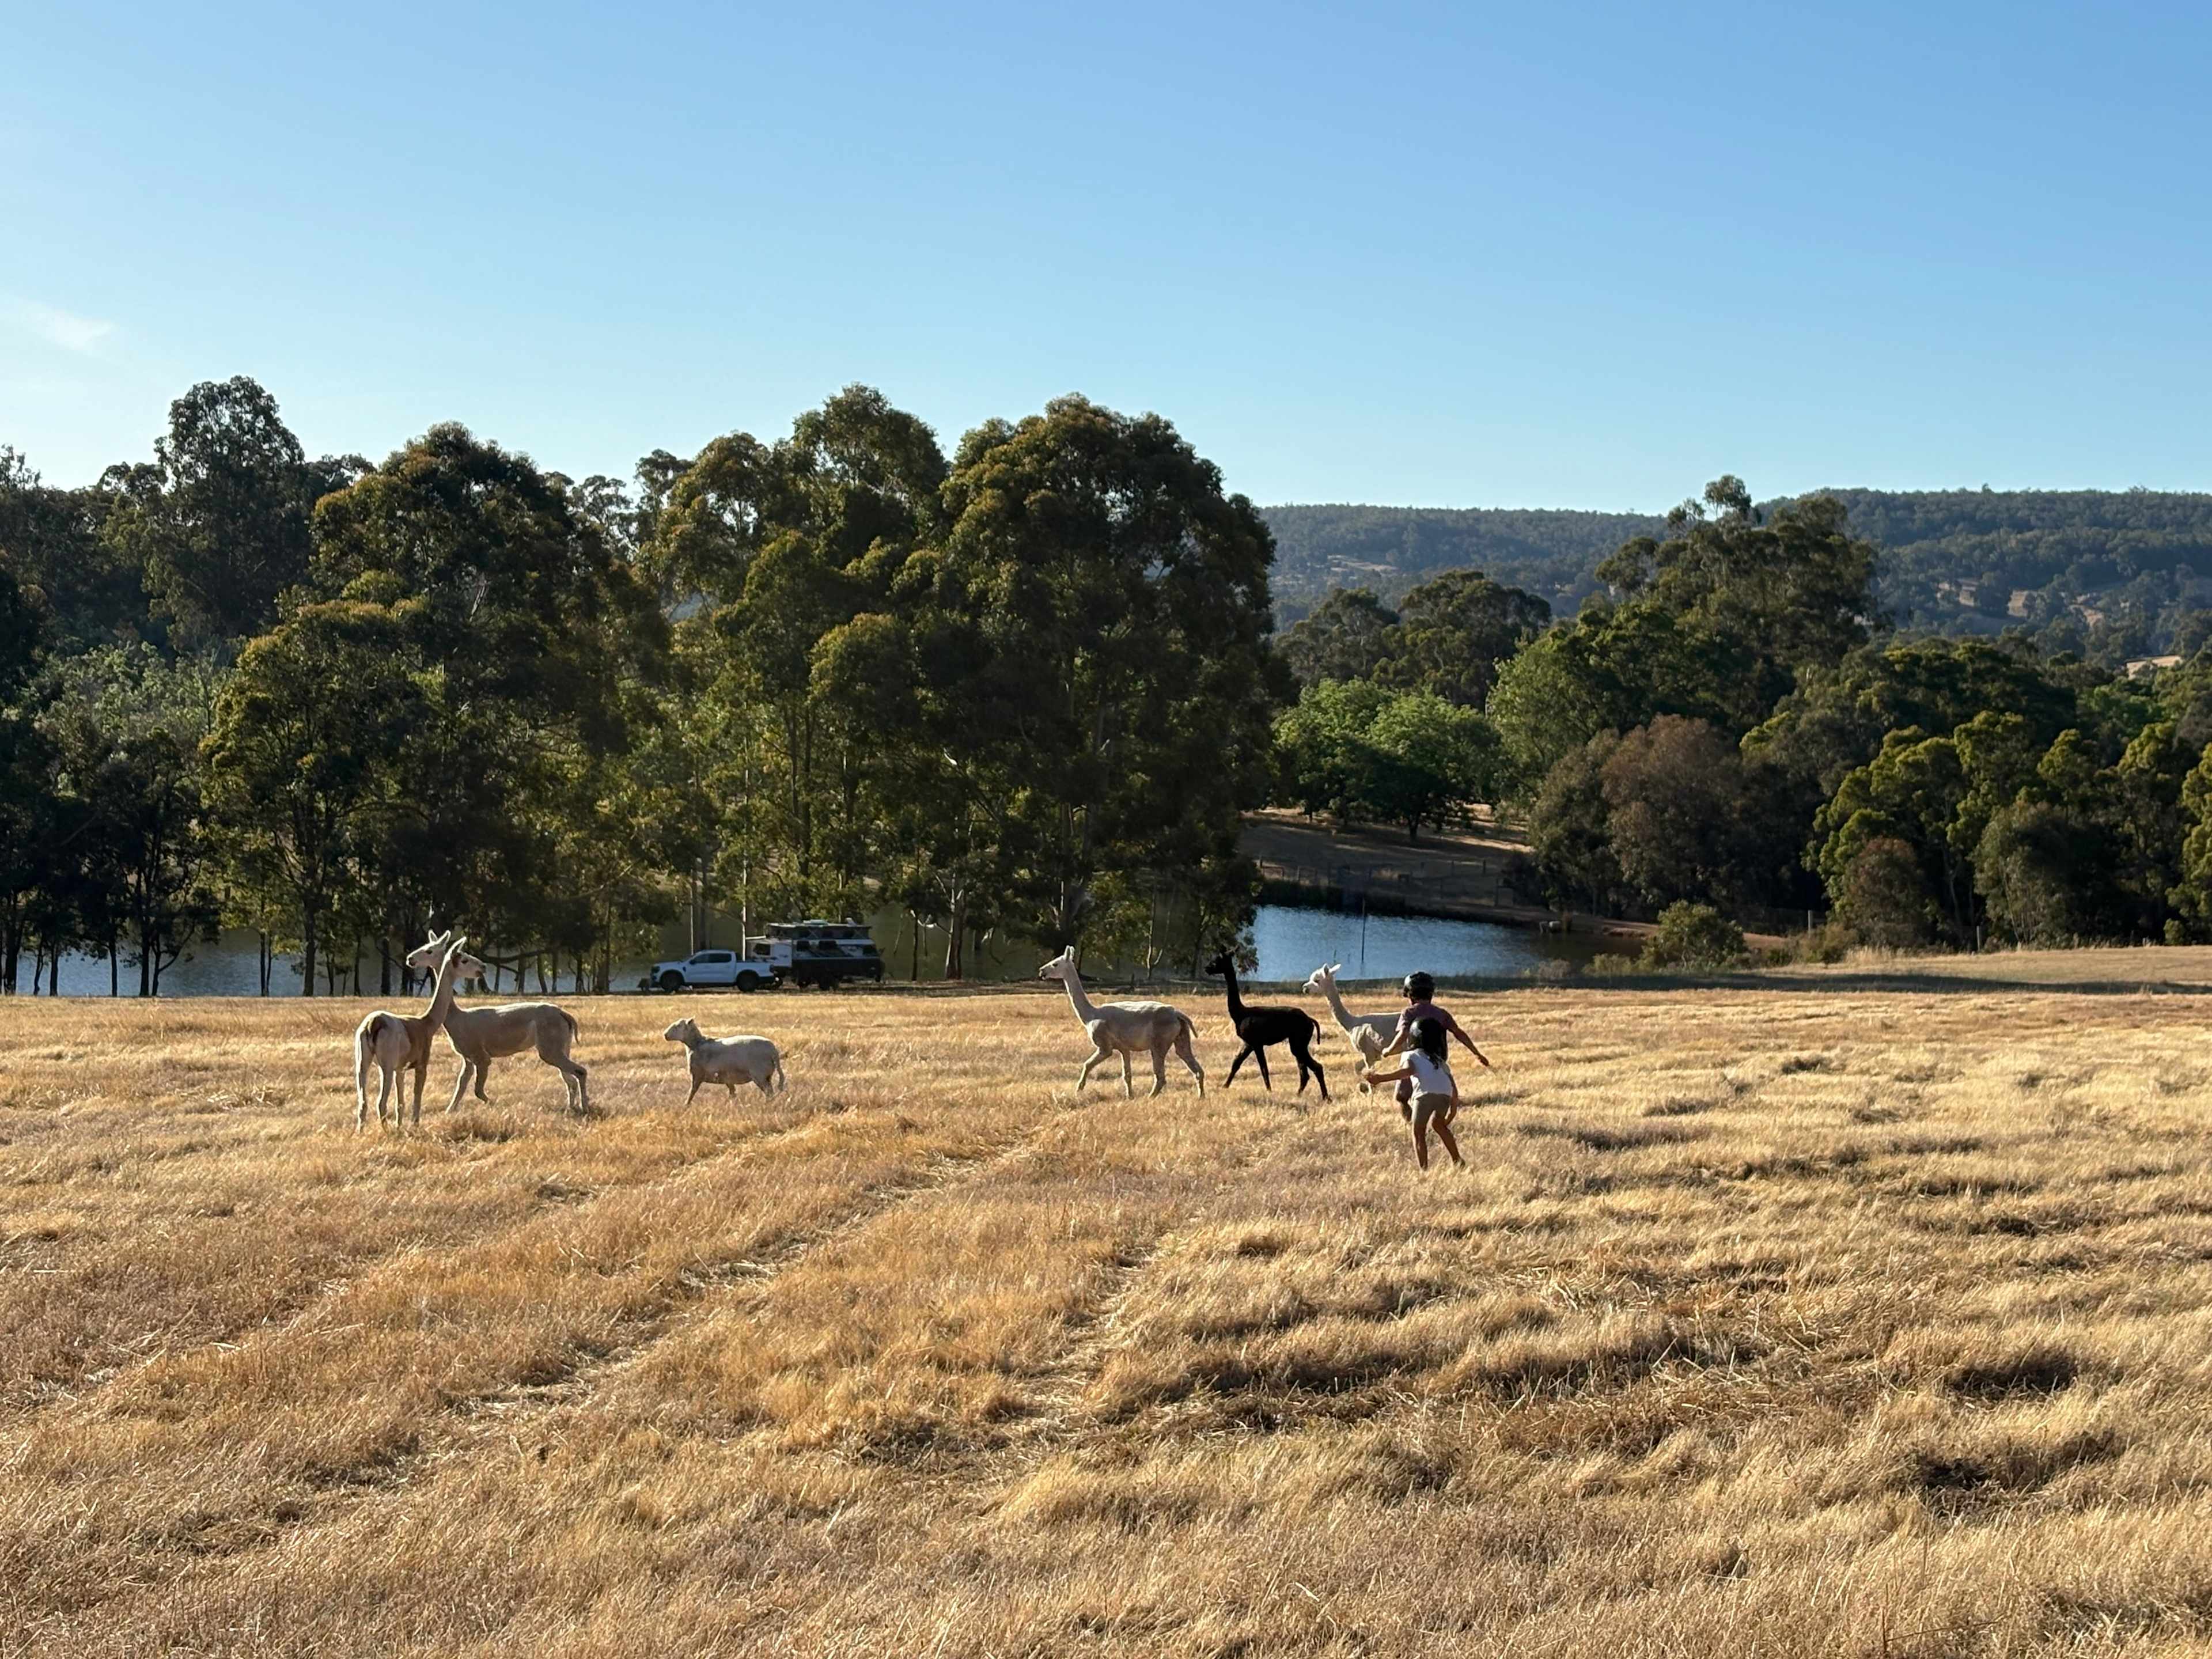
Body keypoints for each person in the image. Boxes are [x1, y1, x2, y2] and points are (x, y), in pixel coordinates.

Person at [1379, 971, 1488, 1121]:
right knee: (1440, 1094)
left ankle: (1412, 1124)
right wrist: (1476, 1053)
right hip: (1438, 1062)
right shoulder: (1441, 1013)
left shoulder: (1409, 1013)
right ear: (1431, 993)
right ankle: (1436, 1121)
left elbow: (1403, 1035)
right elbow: (1459, 1033)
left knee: (1402, 1097)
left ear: (1409, 995)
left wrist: (1388, 1051)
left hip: (1414, 1061)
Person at [1364, 1016, 1463, 1169]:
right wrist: (1453, 1109)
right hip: (1445, 1094)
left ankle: (1424, 1169)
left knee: (1418, 1132)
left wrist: (1381, 1078)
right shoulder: (1440, 1060)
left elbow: (1407, 1071)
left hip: (1424, 1096)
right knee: (1439, 1125)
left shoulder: (1410, 1055)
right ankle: (1457, 1160)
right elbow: (1452, 1086)